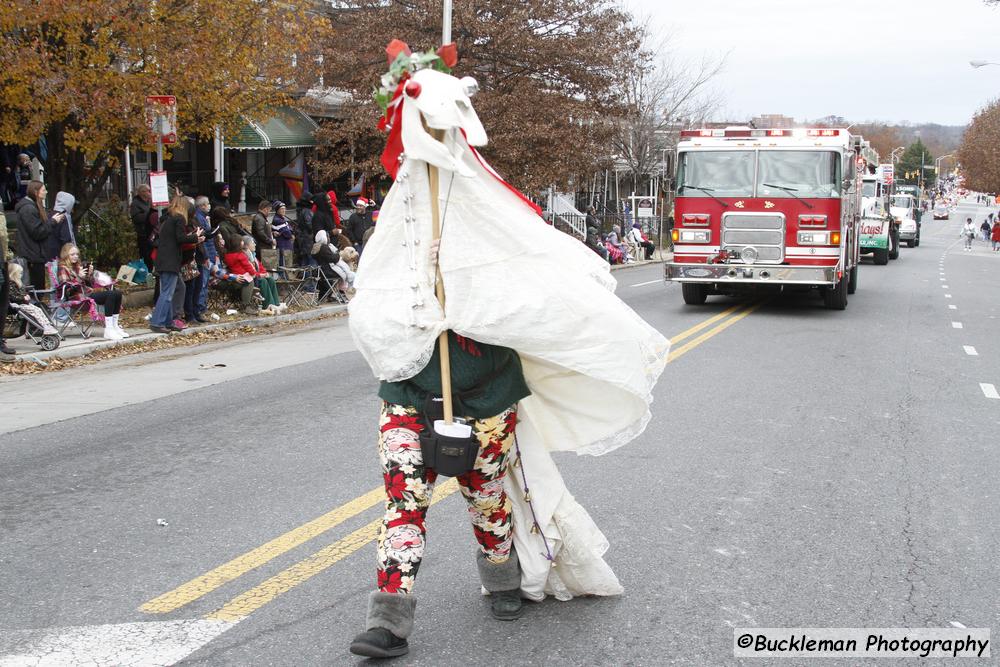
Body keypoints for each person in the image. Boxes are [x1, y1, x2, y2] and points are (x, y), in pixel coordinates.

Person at [150, 196, 203, 333]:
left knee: (175, 288)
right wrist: (195, 237)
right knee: (167, 293)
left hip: (164, 260)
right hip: (170, 261)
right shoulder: (179, 218)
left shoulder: (168, 219)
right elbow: (181, 238)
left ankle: (168, 321)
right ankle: (158, 322)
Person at [56, 243, 128, 340]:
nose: (76, 256)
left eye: (77, 254)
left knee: (117, 294)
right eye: (72, 254)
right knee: (110, 295)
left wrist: (89, 275)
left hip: (87, 294)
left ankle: (115, 327)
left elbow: (88, 285)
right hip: (76, 297)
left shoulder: (77, 267)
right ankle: (109, 329)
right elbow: (66, 288)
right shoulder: (62, 268)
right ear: (65, 255)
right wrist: (78, 277)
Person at [15, 180, 62, 289]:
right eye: (43, 190)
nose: (46, 192)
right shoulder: (28, 209)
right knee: (37, 289)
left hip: (35, 254)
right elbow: (37, 232)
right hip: (32, 256)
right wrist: (53, 222)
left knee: (39, 287)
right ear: (36, 192)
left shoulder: (32, 206)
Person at [224, 237, 281, 313]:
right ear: (246, 246)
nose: (255, 244)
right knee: (263, 281)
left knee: (270, 279)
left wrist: (264, 273)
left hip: (251, 276)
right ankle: (269, 305)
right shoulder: (243, 255)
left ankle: (276, 304)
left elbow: (260, 267)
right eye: (252, 243)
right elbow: (250, 270)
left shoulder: (252, 255)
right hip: (248, 278)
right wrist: (261, 275)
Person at [193, 196, 218, 318]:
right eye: (207, 204)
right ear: (202, 206)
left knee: (205, 282)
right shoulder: (199, 218)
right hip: (205, 253)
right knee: (203, 283)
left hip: (209, 252)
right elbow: (204, 239)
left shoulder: (203, 218)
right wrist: (207, 256)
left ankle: (201, 306)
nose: (209, 206)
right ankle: (200, 308)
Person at [312, 229, 354, 297]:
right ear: (323, 237)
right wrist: (339, 254)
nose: (329, 238)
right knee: (344, 273)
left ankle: (335, 294)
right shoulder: (323, 247)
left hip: (322, 271)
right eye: (327, 237)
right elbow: (333, 259)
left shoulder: (317, 246)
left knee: (344, 272)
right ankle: (341, 292)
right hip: (328, 271)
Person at [129, 184, 156, 271]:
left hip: (152, 233)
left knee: (152, 254)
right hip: (143, 233)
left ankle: (152, 271)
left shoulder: (149, 202)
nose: (150, 193)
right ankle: (147, 273)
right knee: (145, 254)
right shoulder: (135, 204)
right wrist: (150, 213)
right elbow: (137, 218)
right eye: (148, 191)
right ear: (142, 192)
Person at [50, 191, 77, 258]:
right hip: (62, 254)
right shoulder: (64, 217)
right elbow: (66, 237)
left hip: (52, 253)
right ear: (68, 204)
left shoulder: (51, 214)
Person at [271, 200, 294, 268]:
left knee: (287, 264)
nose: (284, 210)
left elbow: (290, 229)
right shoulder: (278, 220)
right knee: (284, 264)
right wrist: (290, 233)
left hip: (285, 245)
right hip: (283, 246)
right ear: (277, 210)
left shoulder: (281, 219)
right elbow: (288, 233)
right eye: (282, 209)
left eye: (284, 208)